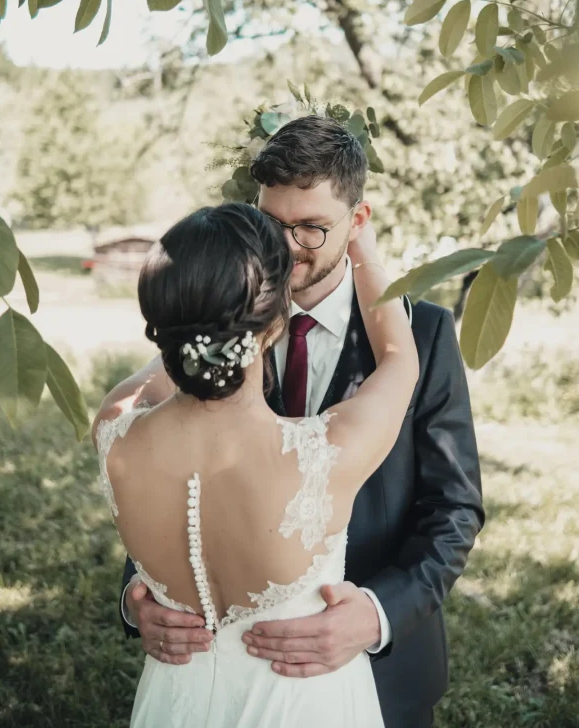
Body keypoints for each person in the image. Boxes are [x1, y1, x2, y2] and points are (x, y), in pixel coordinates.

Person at [102, 116, 485, 728]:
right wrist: (140, 596)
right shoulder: (220, 321)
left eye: (311, 228)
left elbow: (454, 508)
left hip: (379, 674)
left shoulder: (428, 332)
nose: (285, 248)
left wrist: (376, 615)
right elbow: (175, 480)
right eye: (271, 225)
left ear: (357, 222)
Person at [93, 200, 418, 727]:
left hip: (173, 705)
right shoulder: (326, 454)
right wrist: (361, 246)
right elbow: (400, 358)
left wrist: (198, 312)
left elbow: (160, 371)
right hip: (303, 706)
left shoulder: (114, 430)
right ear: (273, 322)